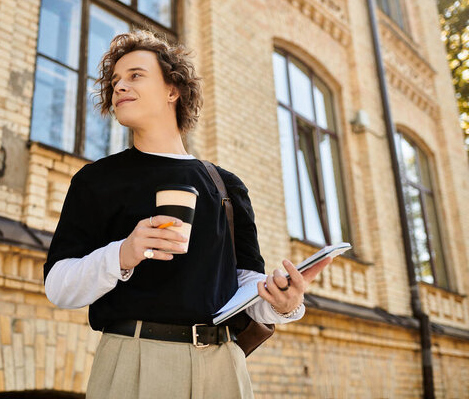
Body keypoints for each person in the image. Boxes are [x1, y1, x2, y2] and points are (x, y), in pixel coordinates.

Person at [43, 30, 331, 399]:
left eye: (135, 75)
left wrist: (283, 304)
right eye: (115, 81)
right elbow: (58, 286)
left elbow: (244, 286)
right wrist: (123, 253)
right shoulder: (95, 181)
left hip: (223, 365)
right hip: (134, 360)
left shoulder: (226, 186)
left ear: (172, 90)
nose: (119, 87)